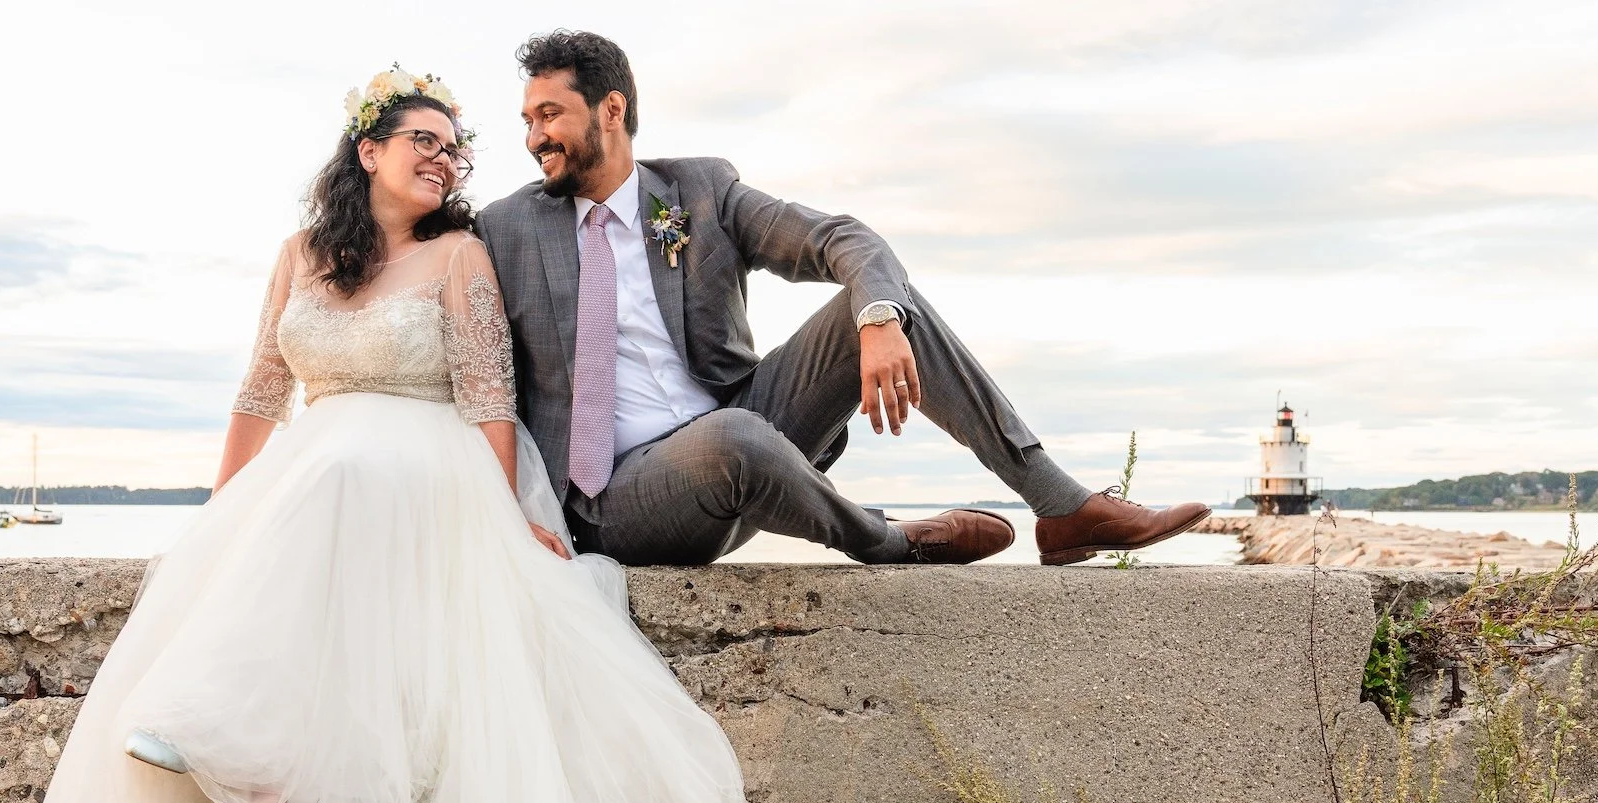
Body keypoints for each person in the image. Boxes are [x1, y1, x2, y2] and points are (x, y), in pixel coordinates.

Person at [9, 67, 745, 803]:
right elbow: (261, 392)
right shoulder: (301, 253)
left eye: (453, 147)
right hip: (323, 466)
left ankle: (245, 772)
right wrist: (220, 508)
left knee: (342, 479)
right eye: (423, 141)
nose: (445, 159)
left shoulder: (459, 253)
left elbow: (487, 395)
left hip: (429, 461)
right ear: (369, 151)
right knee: (318, 495)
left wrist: (506, 513)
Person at [478, 30, 1211, 568]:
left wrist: (880, 320)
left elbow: (844, 238)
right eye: (527, 120)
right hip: (622, 501)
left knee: (882, 298)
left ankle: (1060, 505)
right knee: (732, 437)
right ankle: (891, 539)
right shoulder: (505, 230)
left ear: (611, 109)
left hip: (757, 428)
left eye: (550, 115)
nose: (535, 136)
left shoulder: (700, 190)